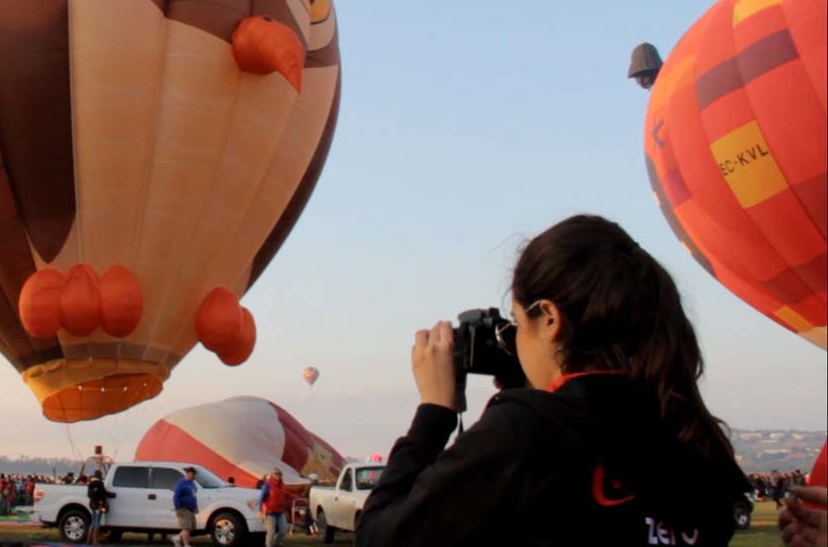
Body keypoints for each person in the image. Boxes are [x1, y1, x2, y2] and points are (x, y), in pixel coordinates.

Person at [356, 214, 751, 546]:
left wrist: (434, 411)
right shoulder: (691, 435)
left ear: (549, 317)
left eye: (517, 322)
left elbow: (381, 535)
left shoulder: (527, 431)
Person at [257, 468, 287, 546]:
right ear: (272, 475)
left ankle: (276, 543)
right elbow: (261, 498)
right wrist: (260, 510)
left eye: (279, 473)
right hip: (269, 512)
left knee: (283, 529)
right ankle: (269, 545)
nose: (278, 475)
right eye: (276, 473)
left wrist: (285, 508)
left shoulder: (282, 485)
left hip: (280, 511)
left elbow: (283, 498)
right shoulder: (268, 485)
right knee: (271, 532)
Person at [85, 470, 116, 545]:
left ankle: (88, 540)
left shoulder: (91, 483)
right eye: (101, 475)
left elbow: (89, 495)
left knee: (92, 522)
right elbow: (103, 494)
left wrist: (94, 499)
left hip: (92, 504)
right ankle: (95, 541)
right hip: (99, 505)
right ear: (99, 475)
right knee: (97, 522)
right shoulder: (99, 483)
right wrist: (112, 495)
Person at [171, 467, 198, 547]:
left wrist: (195, 506)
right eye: (194, 475)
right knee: (186, 527)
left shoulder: (192, 483)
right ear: (189, 474)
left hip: (191, 509)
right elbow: (176, 497)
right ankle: (186, 544)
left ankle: (177, 538)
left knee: (191, 527)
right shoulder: (181, 483)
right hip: (183, 508)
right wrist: (177, 509)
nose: (194, 477)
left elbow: (193, 496)